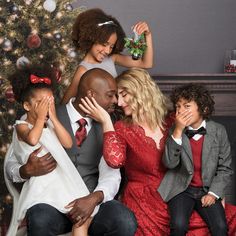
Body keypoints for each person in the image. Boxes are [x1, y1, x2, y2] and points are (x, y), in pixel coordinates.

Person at [78, 68, 236, 235]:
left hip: (178, 191)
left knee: (228, 218)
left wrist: (216, 191)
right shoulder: (122, 128)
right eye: (117, 96)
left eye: (124, 95)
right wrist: (106, 122)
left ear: (141, 91)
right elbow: (114, 161)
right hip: (143, 199)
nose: (119, 102)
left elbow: (204, 154)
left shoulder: (173, 120)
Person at [4, 68, 137, 236]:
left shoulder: (109, 124)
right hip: (52, 203)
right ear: (91, 95)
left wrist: (94, 198)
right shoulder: (42, 117)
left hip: (90, 203)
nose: (116, 101)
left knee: (125, 221)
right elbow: (12, 160)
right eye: (110, 95)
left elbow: (112, 174)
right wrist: (24, 170)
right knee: (39, 218)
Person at [158, 83, 236, 236]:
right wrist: (179, 131)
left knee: (220, 226)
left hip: (206, 190)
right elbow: (169, 163)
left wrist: (214, 194)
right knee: (178, 225)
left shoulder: (219, 131)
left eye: (186, 106)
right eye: (178, 106)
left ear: (204, 109)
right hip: (182, 189)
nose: (180, 110)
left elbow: (225, 168)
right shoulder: (174, 130)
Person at [61, 8, 153, 104]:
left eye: (111, 46)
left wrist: (148, 35)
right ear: (92, 38)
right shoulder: (83, 70)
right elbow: (65, 103)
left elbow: (146, 64)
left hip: (119, 109)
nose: (107, 51)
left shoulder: (111, 58)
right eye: (104, 44)